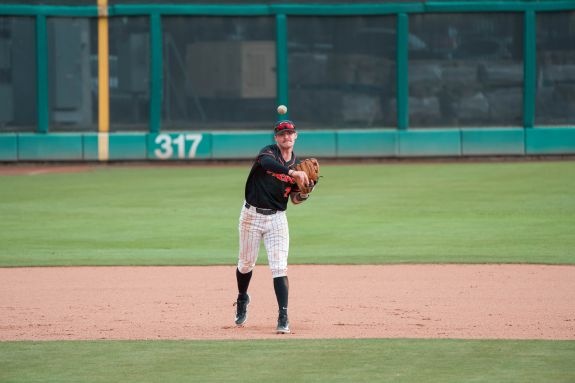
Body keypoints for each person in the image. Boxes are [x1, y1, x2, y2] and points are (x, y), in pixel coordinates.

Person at [234, 119, 313, 334]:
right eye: (282, 134)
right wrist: (292, 174)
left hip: (277, 218)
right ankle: (242, 297)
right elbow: (268, 165)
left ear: (296, 136)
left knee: (279, 267)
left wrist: (304, 192)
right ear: (276, 138)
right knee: (246, 264)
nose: (286, 137)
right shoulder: (268, 153)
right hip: (251, 215)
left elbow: (295, 200)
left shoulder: (300, 168)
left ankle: (283, 315)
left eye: (290, 133)